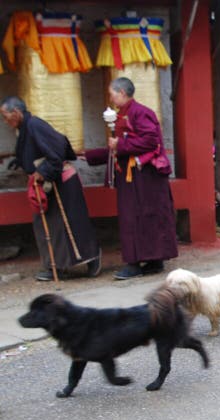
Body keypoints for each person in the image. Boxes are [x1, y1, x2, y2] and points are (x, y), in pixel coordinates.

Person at [84, 77, 178, 279]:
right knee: (137, 216)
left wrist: (120, 145)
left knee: (137, 217)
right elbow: (119, 147)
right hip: (133, 176)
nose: (110, 97)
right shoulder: (123, 114)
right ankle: (154, 259)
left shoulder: (140, 113)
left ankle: (137, 263)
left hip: (145, 176)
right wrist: (89, 155)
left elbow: (151, 141)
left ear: (122, 93)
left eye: (112, 94)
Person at [1, 96, 101, 281]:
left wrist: (43, 171)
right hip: (45, 182)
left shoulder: (35, 125)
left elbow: (56, 152)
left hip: (60, 180)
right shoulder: (24, 128)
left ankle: (92, 257)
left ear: (16, 112)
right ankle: (57, 266)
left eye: (6, 117)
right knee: (49, 226)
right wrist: (21, 161)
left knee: (71, 223)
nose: (6, 122)